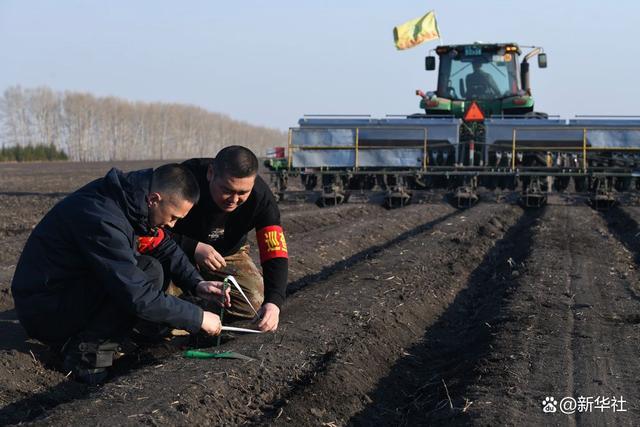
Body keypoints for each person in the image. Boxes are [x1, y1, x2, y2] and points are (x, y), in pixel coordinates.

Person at [11, 164, 230, 383]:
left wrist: (197, 284)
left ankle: (120, 333)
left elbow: (164, 245)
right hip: (45, 308)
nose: (171, 224)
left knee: (149, 268)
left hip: (65, 290)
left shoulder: (130, 202)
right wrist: (198, 317)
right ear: (154, 199)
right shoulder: (103, 217)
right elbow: (136, 295)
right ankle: (85, 356)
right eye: (173, 217)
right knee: (143, 275)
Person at [171, 146, 288, 332]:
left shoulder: (261, 197)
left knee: (256, 302)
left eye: (242, 193)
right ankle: (183, 315)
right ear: (211, 173)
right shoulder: (183, 180)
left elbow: (274, 250)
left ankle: (203, 312)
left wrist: (274, 302)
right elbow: (149, 229)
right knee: (153, 298)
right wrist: (191, 246)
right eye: (227, 190)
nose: (233, 199)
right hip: (176, 250)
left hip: (227, 254)